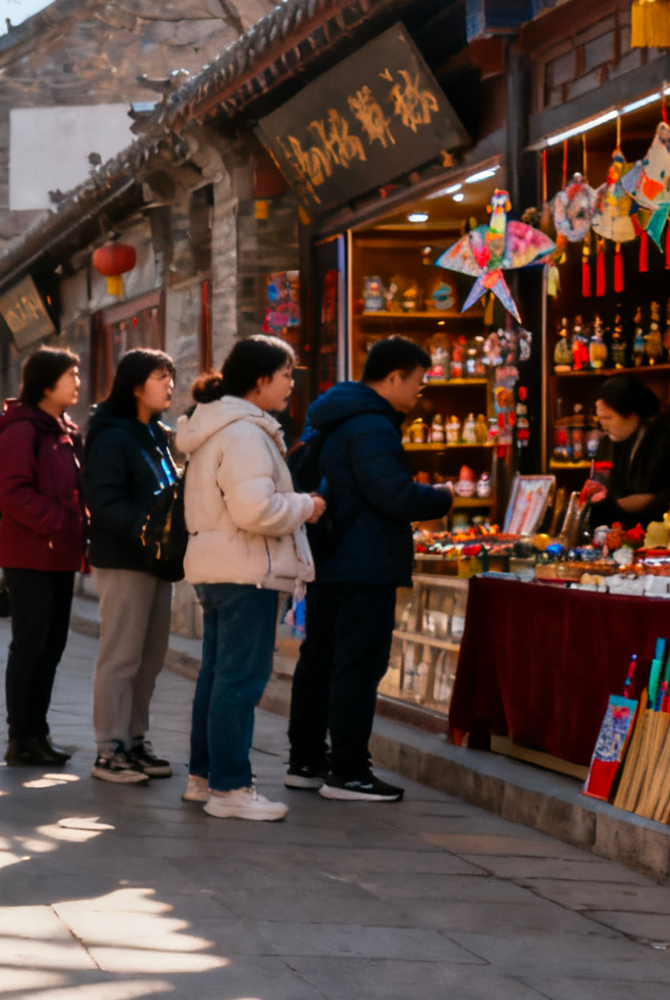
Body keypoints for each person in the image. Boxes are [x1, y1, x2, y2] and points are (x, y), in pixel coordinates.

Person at [288, 338, 454, 802]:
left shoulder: (337, 416)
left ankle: (305, 761)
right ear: (395, 377)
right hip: (364, 563)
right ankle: (348, 771)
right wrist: (441, 495)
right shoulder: (373, 424)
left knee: (320, 659)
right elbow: (392, 495)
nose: (419, 392)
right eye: (418, 382)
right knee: (357, 665)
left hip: (332, 555)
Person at [174, 335, 321, 822]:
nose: (290, 386)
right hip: (246, 571)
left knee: (218, 677)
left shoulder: (219, 426)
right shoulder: (243, 433)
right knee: (240, 680)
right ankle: (231, 787)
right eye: (286, 376)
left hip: (220, 567)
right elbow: (256, 509)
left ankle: (206, 777)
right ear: (261, 380)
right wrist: (307, 505)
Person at [83, 349, 183, 785]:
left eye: (171, 377)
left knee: (150, 657)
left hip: (157, 561)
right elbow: (103, 503)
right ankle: (110, 749)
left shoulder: (156, 435)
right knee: (121, 656)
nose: (170, 385)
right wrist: (146, 533)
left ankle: (136, 739)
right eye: (162, 377)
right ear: (135, 385)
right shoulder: (110, 435)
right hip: (124, 559)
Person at [0, 348, 87, 767]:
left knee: (52, 646)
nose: (77, 382)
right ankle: (21, 737)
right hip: (30, 554)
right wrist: (55, 521)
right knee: (30, 645)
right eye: (71, 375)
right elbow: (11, 492)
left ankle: (38, 733)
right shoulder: (21, 431)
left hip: (60, 553)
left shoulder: (63, 430)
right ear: (47, 384)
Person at [582, 374, 670, 539]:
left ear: (632, 414)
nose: (603, 425)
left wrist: (621, 502)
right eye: (600, 418)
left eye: (608, 418)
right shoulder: (617, 440)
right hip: (634, 535)